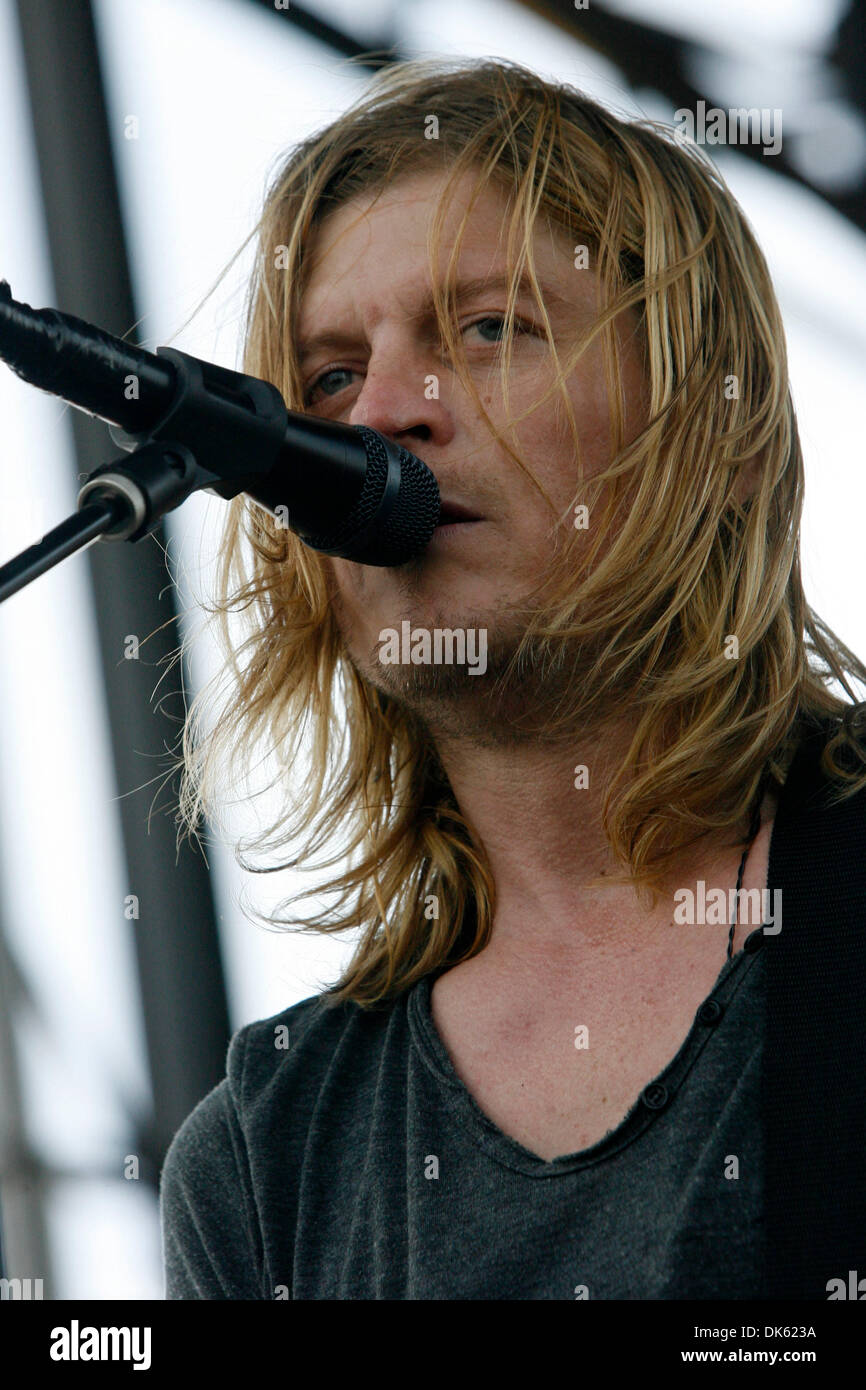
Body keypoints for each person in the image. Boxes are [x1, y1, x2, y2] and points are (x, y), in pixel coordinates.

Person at [160, 58, 866, 1299]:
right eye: (329, 377)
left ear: (721, 429)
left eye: (487, 329)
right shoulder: (266, 1160)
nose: (381, 413)